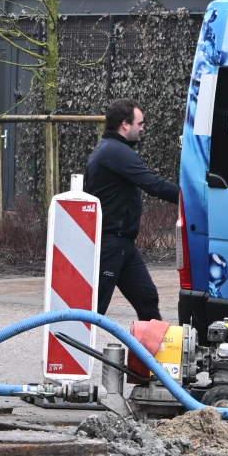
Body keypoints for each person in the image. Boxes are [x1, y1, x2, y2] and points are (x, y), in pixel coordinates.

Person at [84, 98, 179, 323]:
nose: (142, 128)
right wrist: (194, 199)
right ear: (125, 124)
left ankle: (149, 357)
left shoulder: (112, 149)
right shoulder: (116, 152)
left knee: (147, 298)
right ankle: (73, 354)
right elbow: (153, 184)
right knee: (95, 306)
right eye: (140, 123)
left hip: (124, 243)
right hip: (110, 243)